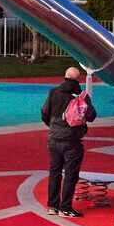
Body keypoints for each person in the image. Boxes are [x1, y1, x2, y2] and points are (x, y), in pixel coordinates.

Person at [40, 67, 92, 217]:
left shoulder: (53, 92)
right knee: (71, 174)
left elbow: (44, 113)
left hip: (54, 139)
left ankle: (52, 206)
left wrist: (53, 127)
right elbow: (91, 115)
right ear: (78, 79)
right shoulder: (81, 95)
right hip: (72, 140)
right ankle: (65, 207)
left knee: (54, 172)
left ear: (65, 77)